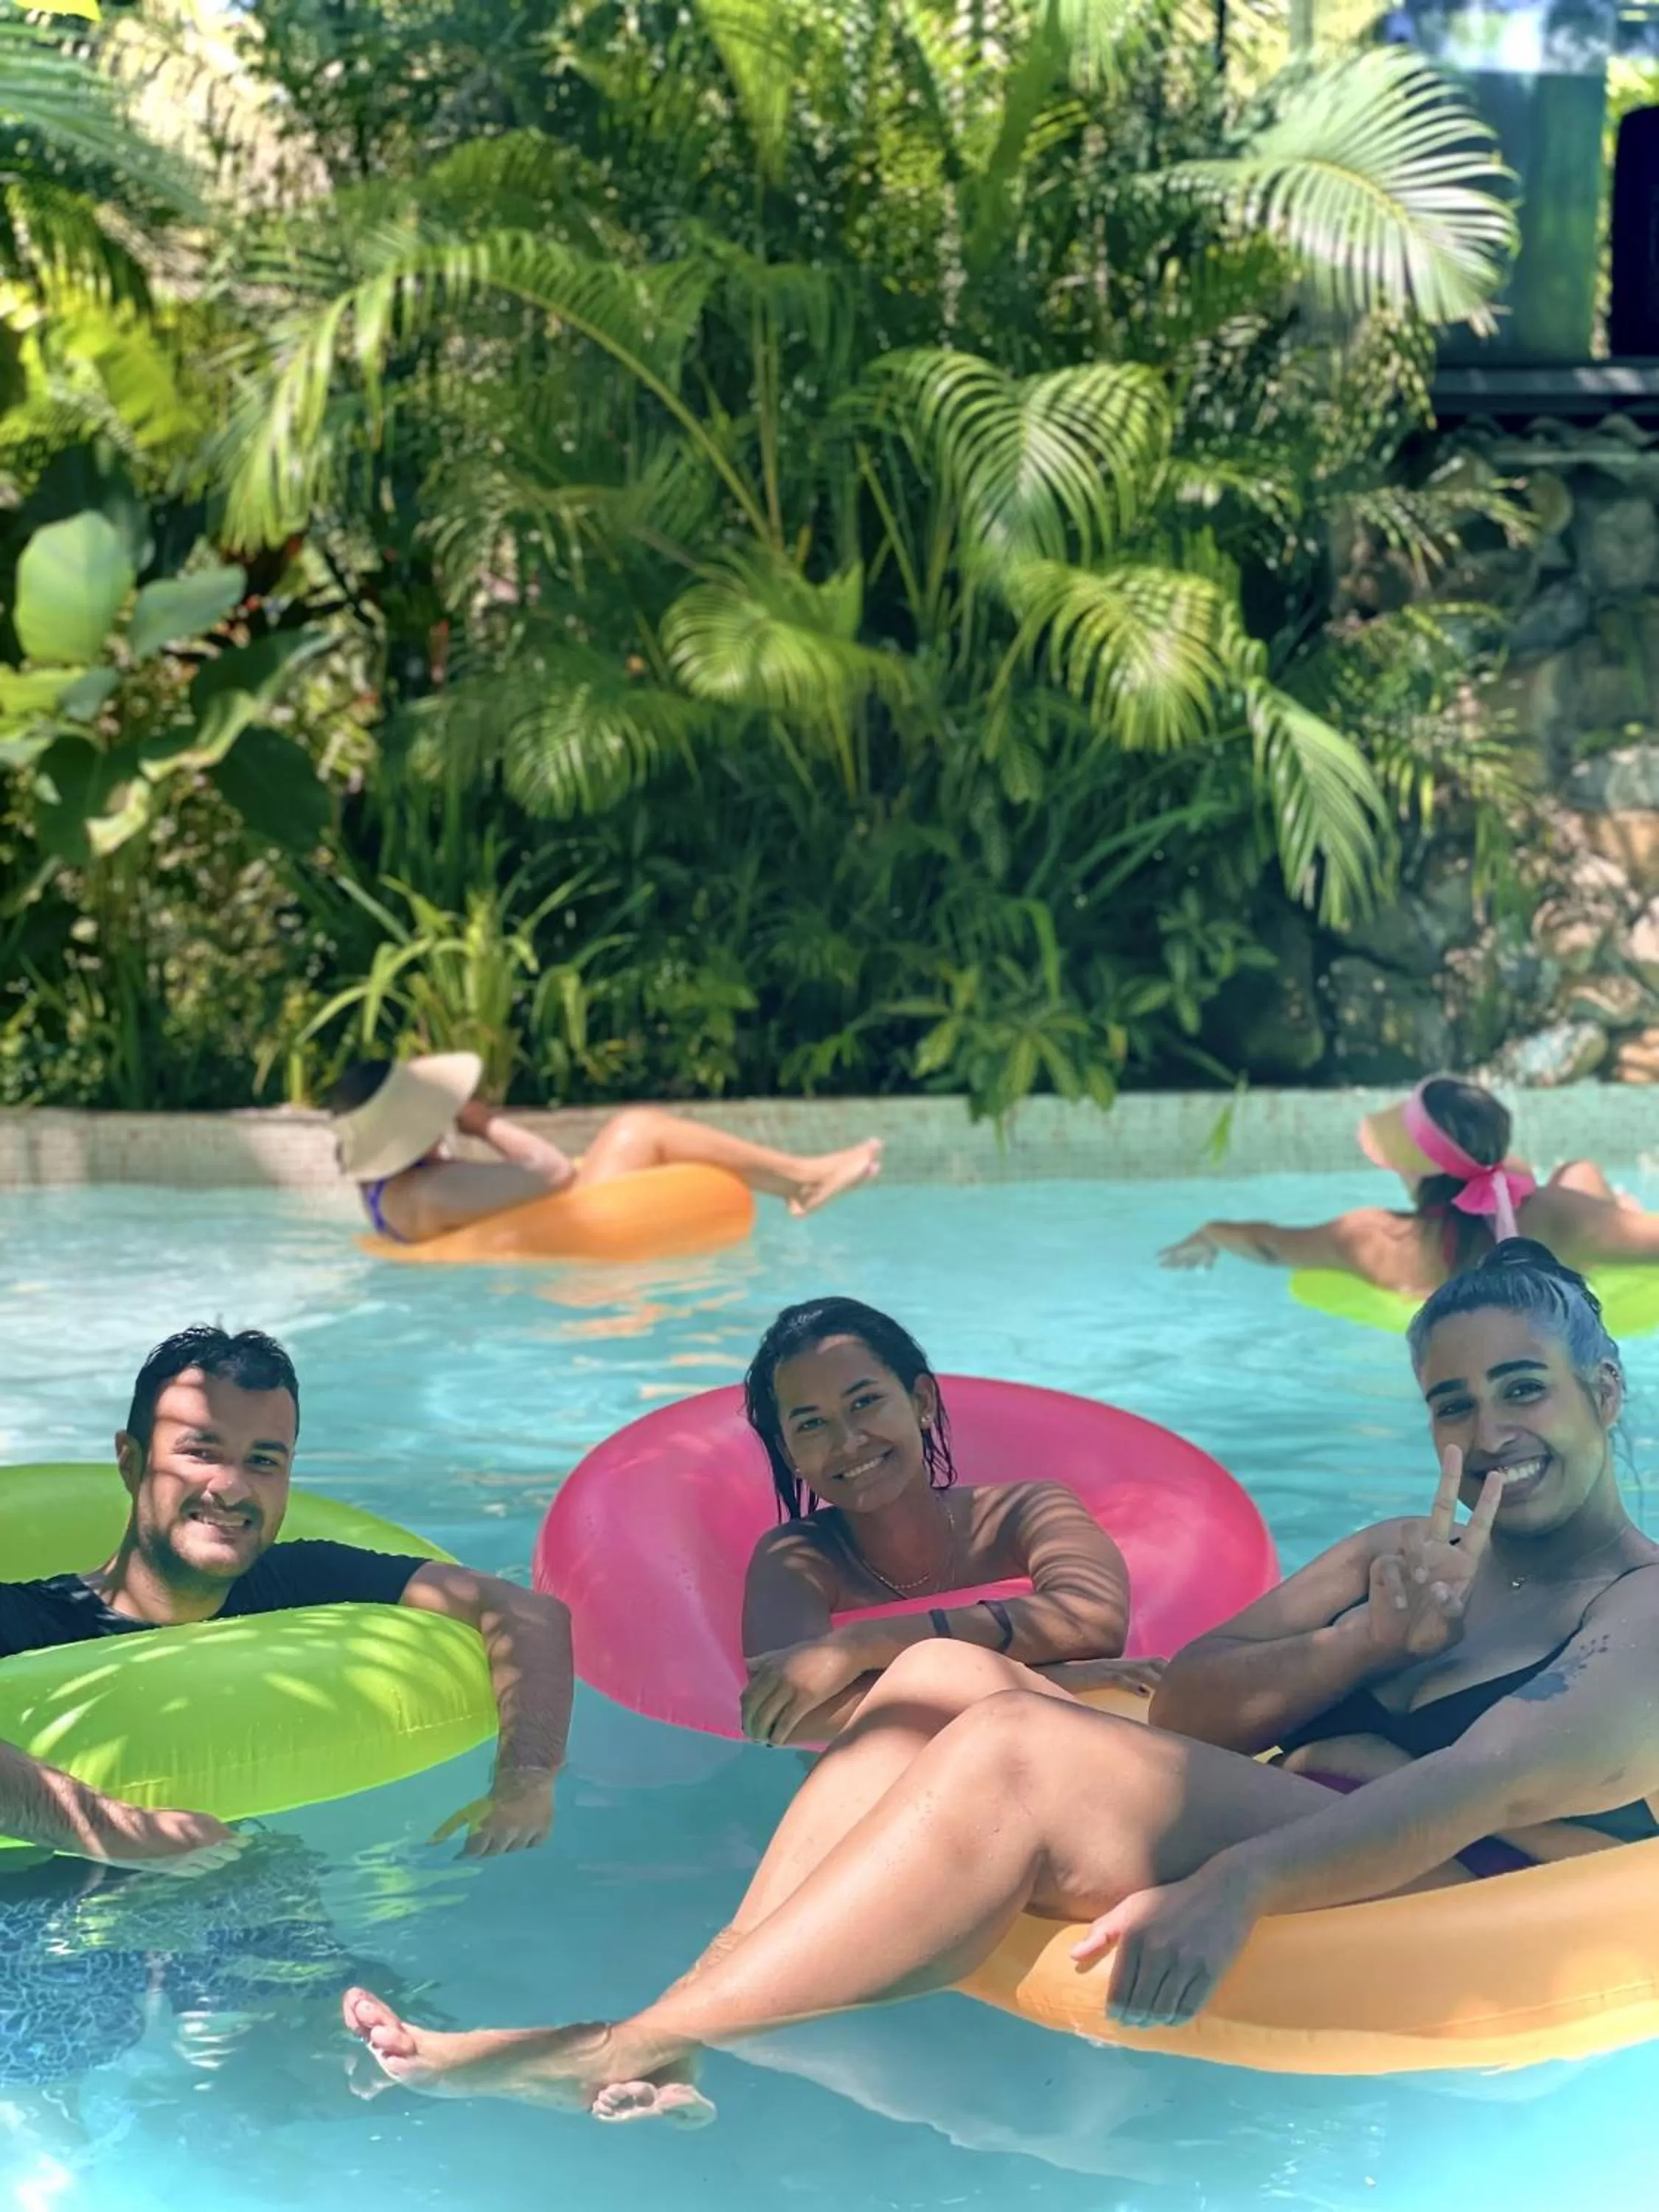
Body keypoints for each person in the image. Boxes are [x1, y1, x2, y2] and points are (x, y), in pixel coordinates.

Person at [341, 1241, 1659, 2122]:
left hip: (1453, 1900)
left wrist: (1234, 1881)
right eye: (1450, 1403)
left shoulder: (1644, 1608)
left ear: (1603, 1394)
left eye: (1522, 1392)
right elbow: (1198, 1699)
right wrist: (1372, 1642)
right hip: (1303, 1811)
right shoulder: (1400, 1556)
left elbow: (1483, 1784)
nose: (1486, 1433)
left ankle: (621, 2046)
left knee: (1015, 1753)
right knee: (931, 1676)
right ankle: (711, 1993)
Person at [0, 1326, 573, 1872]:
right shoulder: (27, 1619)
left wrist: (526, 1776)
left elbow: (525, 1611)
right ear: (131, 1462)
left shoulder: (302, 1582)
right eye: (201, 1452)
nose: (232, 1487)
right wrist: (107, 1828)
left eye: (263, 1461)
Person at [739, 1298, 1163, 1745]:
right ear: (791, 1455)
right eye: (811, 1425)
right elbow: (786, 1717)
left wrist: (860, 1646)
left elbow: (1094, 1617)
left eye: (865, 1402)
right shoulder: (795, 1560)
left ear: (921, 1401)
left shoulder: (1026, 1512)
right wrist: (1059, 1680)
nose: (848, 1442)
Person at [1159, 1073, 1659, 1296]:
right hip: (1568, 1247)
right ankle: (1616, 1207)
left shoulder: (1371, 1237)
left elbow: (1271, 1246)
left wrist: (1212, 1231)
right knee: (1581, 1172)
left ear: (1410, 1166)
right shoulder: (1554, 1215)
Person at [327, 1053, 883, 1246]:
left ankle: (802, 1177)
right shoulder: (430, 1189)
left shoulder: (391, 1188)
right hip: (573, 1229)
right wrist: (483, 1123)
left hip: (541, 1229)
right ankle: (803, 1181)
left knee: (634, 1134)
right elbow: (548, 1173)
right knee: (639, 1130)